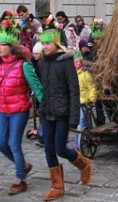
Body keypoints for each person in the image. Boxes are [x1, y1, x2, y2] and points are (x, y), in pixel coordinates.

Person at [0, 19, 43, 196]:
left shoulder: (24, 65)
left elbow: (37, 87)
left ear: (11, 46)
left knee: (14, 144)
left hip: (20, 110)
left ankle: (20, 178)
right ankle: (23, 165)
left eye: (2, 44)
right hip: (4, 110)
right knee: (0, 144)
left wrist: (44, 107)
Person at [37, 23, 92, 201]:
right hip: (47, 111)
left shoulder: (66, 62)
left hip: (63, 112)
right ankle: (57, 186)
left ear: (56, 44)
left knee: (60, 148)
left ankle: (83, 163)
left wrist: (74, 117)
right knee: (48, 149)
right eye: (43, 43)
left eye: (48, 44)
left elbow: (74, 90)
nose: (45, 47)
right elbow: (43, 87)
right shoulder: (43, 62)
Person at [73, 58, 97, 149]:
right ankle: (85, 138)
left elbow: (92, 87)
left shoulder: (85, 75)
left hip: (85, 102)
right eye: (74, 61)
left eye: (77, 61)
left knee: (81, 123)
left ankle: (77, 144)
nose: (76, 63)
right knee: (82, 123)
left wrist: (92, 97)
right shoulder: (73, 74)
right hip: (77, 102)